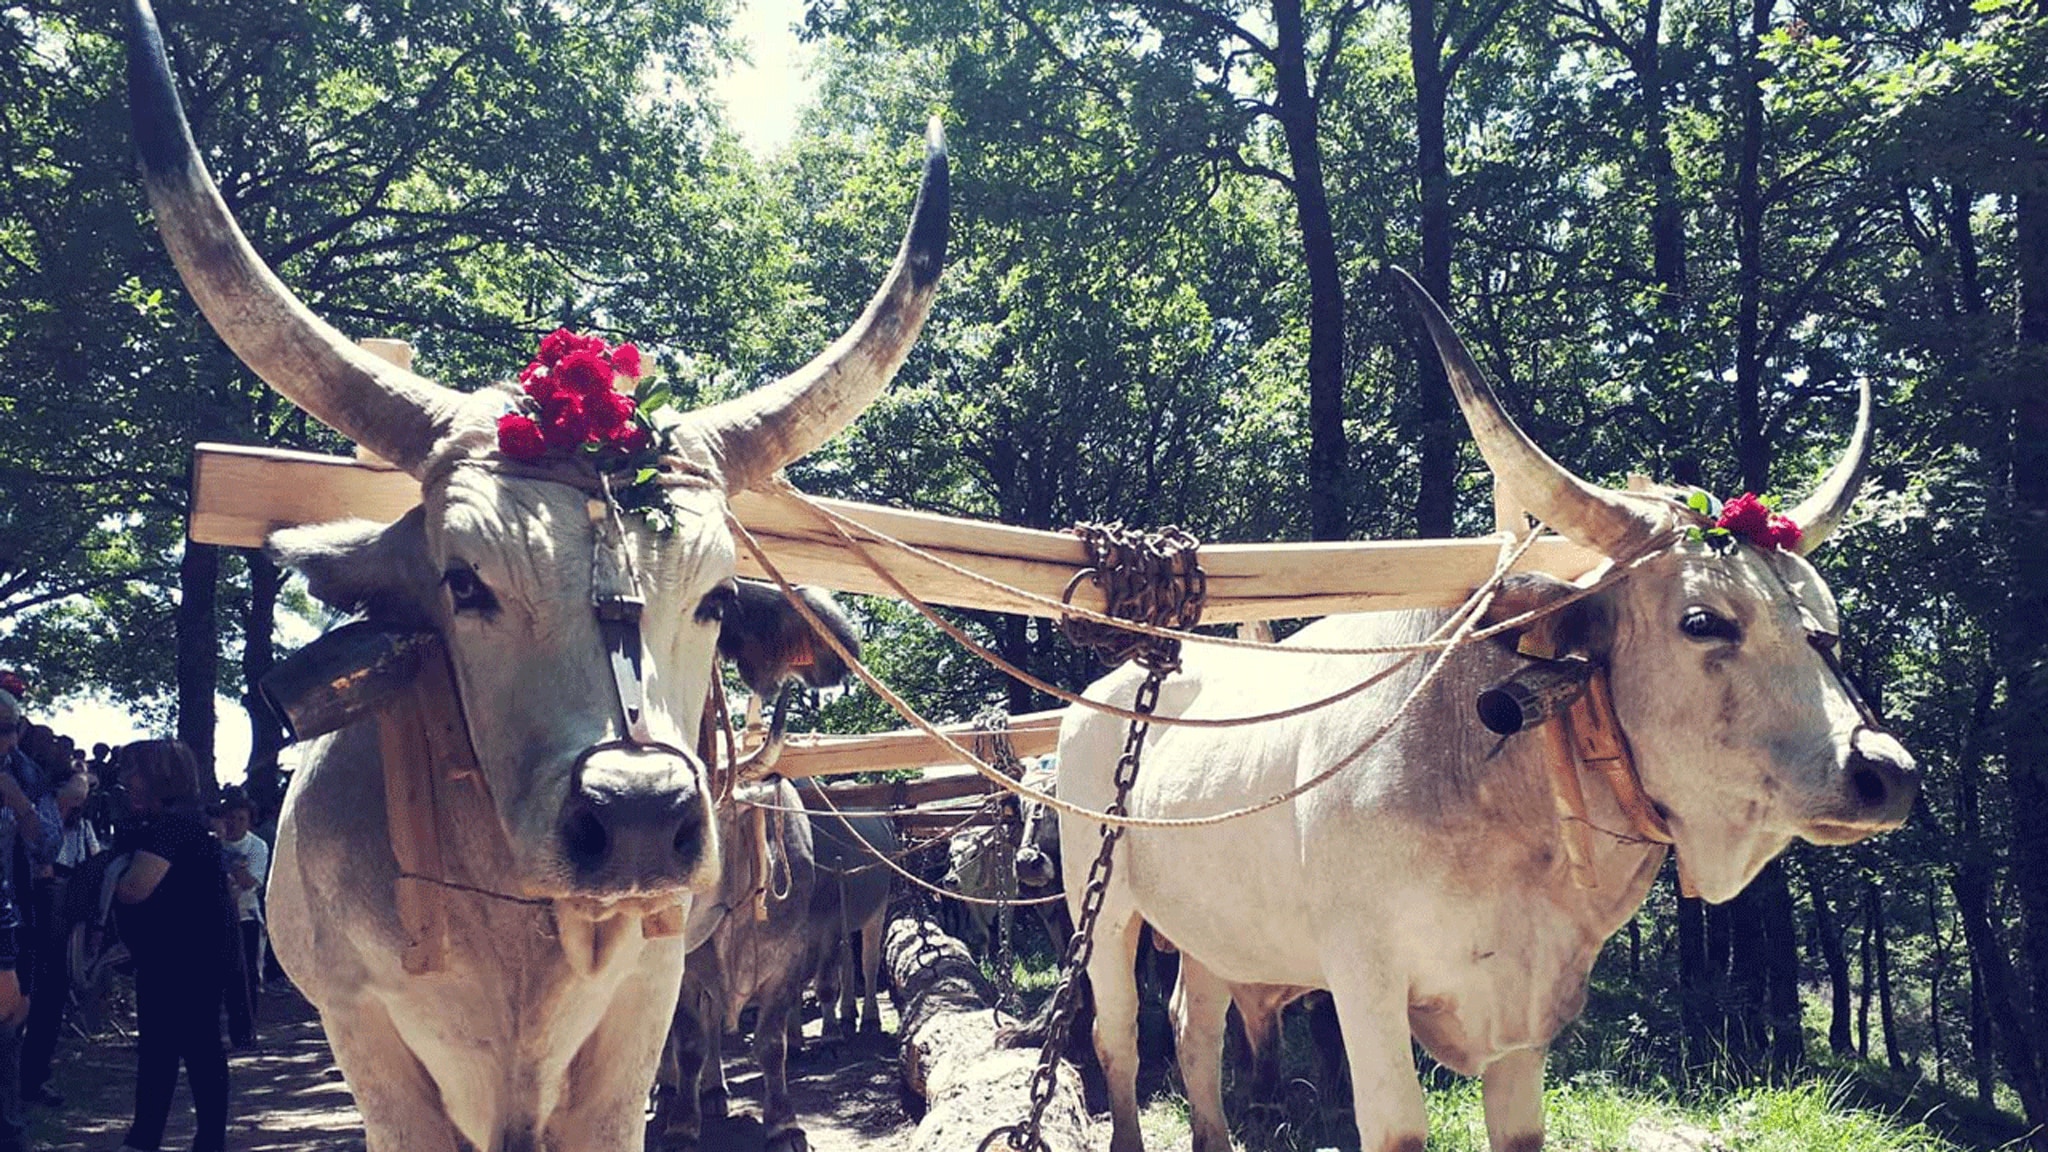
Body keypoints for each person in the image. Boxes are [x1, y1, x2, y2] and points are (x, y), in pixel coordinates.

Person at [112, 740, 231, 1152]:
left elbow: (133, 889)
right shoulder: (190, 824)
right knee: (192, 1049)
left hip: (179, 959)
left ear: (161, 778)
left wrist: (103, 882)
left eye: (136, 772)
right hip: (192, 956)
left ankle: (150, 1139)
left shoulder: (171, 829)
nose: (127, 781)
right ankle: (199, 1140)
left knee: (172, 1050)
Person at [19, 764, 99, 1106]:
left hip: (65, 911)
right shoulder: (36, 809)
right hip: (32, 906)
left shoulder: (83, 827)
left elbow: (94, 863)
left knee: (52, 995)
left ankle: (34, 1078)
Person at [215, 788, 266, 1027]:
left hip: (245, 916)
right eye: (230, 818)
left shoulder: (257, 847)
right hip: (214, 917)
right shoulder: (213, 843)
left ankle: (245, 1028)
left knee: (246, 975)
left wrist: (232, 863)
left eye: (241, 819)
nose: (234, 824)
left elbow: (248, 883)